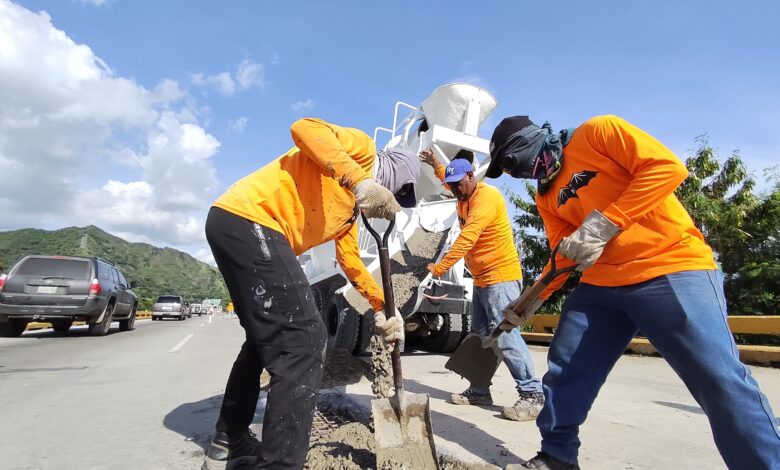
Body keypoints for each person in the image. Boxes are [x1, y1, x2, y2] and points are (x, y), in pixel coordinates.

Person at [486, 115, 780, 469]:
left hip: (670, 265)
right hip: (602, 284)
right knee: (566, 372)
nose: (515, 174)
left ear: (526, 143)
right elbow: (562, 256)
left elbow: (666, 168)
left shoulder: (597, 133)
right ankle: (557, 456)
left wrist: (606, 223)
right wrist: (529, 301)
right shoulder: (546, 197)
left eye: (510, 164)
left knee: (718, 379)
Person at [202, 117, 418, 470]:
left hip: (239, 225)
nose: (390, 199)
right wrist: (361, 180)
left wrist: (382, 306)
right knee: (304, 341)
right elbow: (304, 128)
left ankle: (230, 441)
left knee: (264, 340)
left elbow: (350, 261)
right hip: (251, 218)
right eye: (396, 190)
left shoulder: (349, 214)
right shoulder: (362, 151)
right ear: (391, 173)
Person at [420, 149, 544, 421]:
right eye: (451, 186)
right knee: (479, 336)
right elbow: (447, 177)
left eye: (458, 184)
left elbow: (467, 239)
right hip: (482, 278)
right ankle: (479, 390)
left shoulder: (486, 198)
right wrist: (436, 163)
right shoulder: (462, 191)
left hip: (501, 276)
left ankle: (532, 393)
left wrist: (439, 267)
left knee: (506, 334)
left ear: (471, 176)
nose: (455, 190)